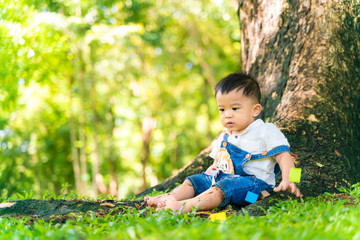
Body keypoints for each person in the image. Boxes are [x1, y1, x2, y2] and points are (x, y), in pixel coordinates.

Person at [144, 72, 303, 213]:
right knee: (194, 181)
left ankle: (184, 206)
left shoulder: (265, 130)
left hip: (253, 191)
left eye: (234, 108)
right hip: (220, 180)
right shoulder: (225, 136)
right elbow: (218, 162)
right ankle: (168, 197)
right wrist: (208, 175)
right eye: (222, 110)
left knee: (225, 186)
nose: (227, 115)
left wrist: (291, 179)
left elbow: (284, 155)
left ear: (255, 110)